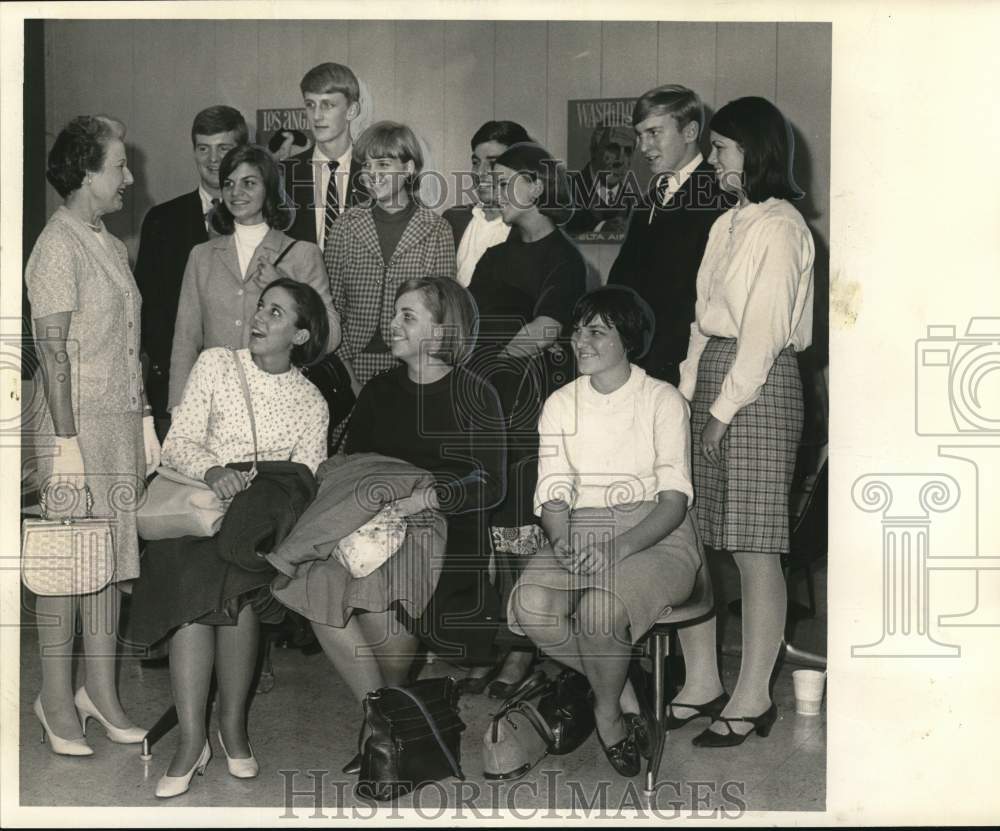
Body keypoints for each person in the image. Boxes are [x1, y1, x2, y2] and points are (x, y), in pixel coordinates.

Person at [273, 277, 505, 774]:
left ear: (442, 332)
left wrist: (431, 495)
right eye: (394, 313)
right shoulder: (379, 389)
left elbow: (492, 484)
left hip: (440, 526)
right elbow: (351, 464)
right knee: (315, 585)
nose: (392, 325)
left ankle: (382, 725)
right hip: (369, 521)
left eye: (408, 316)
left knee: (380, 591)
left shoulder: (475, 393)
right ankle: (385, 719)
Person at [129, 279, 330, 797]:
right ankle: (193, 739)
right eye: (261, 306)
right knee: (197, 588)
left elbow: (305, 480)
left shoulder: (311, 401)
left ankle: (233, 726)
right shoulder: (218, 364)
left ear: (301, 335)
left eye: (277, 313)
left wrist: (265, 514)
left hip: (258, 520)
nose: (259, 318)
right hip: (199, 504)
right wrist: (215, 470)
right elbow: (180, 440)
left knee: (237, 585)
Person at [509, 285, 702, 777]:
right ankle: (620, 687)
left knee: (599, 610)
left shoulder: (663, 400)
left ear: (628, 340)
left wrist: (617, 547)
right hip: (581, 526)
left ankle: (608, 713)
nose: (581, 341)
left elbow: (674, 503)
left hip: (654, 533)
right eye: (579, 330)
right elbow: (553, 489)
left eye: (597, 331)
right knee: (531, 605)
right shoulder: (560, 403)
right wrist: (559, 536)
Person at [674, 96, 815, 747]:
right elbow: (704, 321)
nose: (716, 160)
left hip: (760, 387)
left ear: (754, 153)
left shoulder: (782, 227)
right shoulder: (726, 222)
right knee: (696, 539)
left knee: (756, 548)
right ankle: (700, 680)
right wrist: (685, 397)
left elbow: (760, 336)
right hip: (714, 378)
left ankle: (754, 693)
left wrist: (721, 414)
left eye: (724, 149)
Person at [24, 115, 157, 755]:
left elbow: (128, 342)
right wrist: (68, 444)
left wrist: (147, 417)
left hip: (117, 425)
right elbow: (52, 353)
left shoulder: (105, 239)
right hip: (73, 428)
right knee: (66, 566)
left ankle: (99, 693)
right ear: (85, 173)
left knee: (105, 567)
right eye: (119, 166)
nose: (129, 177)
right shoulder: (57, 244)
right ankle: (54, 701)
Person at [463, 142, 587, 696]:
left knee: (522, 522)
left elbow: (548, 328)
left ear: (536, 187)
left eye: (505, 178)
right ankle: (504, 639)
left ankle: (526, 650)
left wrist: (489, 363)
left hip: (531, 411)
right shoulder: (493, 254)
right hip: (486, 404)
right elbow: (465, 320)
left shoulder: (564, 257)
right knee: (492, 528)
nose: (492, 187)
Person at [169, 144, 340, 411]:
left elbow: (330, 337)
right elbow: (185, 340)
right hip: (216, 402)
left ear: (269, 189)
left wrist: (283, 286)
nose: (236, 193)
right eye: (229, 183)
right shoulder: (201, 256)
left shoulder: (303, 254)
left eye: (249, 183)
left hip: (280, 403)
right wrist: (180, 407)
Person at [134, 105, 249, 441]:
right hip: (178, 388)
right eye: (203, 148)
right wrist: (176, 369)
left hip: (247, 389)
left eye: (223, 148)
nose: (213, 159)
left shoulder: (260, 219)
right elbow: (147, 306)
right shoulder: (162, 220)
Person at [607, 85, 733, 386]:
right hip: (644, 367)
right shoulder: (647, 202)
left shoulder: (722, 197)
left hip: (693, 370)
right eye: (639, 135)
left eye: (654, 133)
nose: (643, 146)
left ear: (690, 132)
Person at [326, 121, 456, 396]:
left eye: (383, 164)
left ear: (408, 169)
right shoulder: (345, 225)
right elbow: (332, 308)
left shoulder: (436, 229)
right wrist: (350, 379)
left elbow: (441, 316)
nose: (372, 174)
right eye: (367, 165)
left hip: (412, 366)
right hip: (349, 363)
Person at [281, 62, 367, 248]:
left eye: (327, 105)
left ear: (352, 111)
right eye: (310, 105)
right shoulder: (283, 174)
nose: (316, 116)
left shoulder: (373, 172)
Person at [441, 119, 532, 286]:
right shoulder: (452, 220)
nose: (480, 172)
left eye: (493, 163)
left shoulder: (530, 231)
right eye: (476, 163)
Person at [566, 122, 636, 235]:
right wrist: (600, 228)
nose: (621, 160)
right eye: (613, 148)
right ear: (594, 150)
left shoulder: (635, 204)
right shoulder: (566, 192)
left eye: (628, 151)